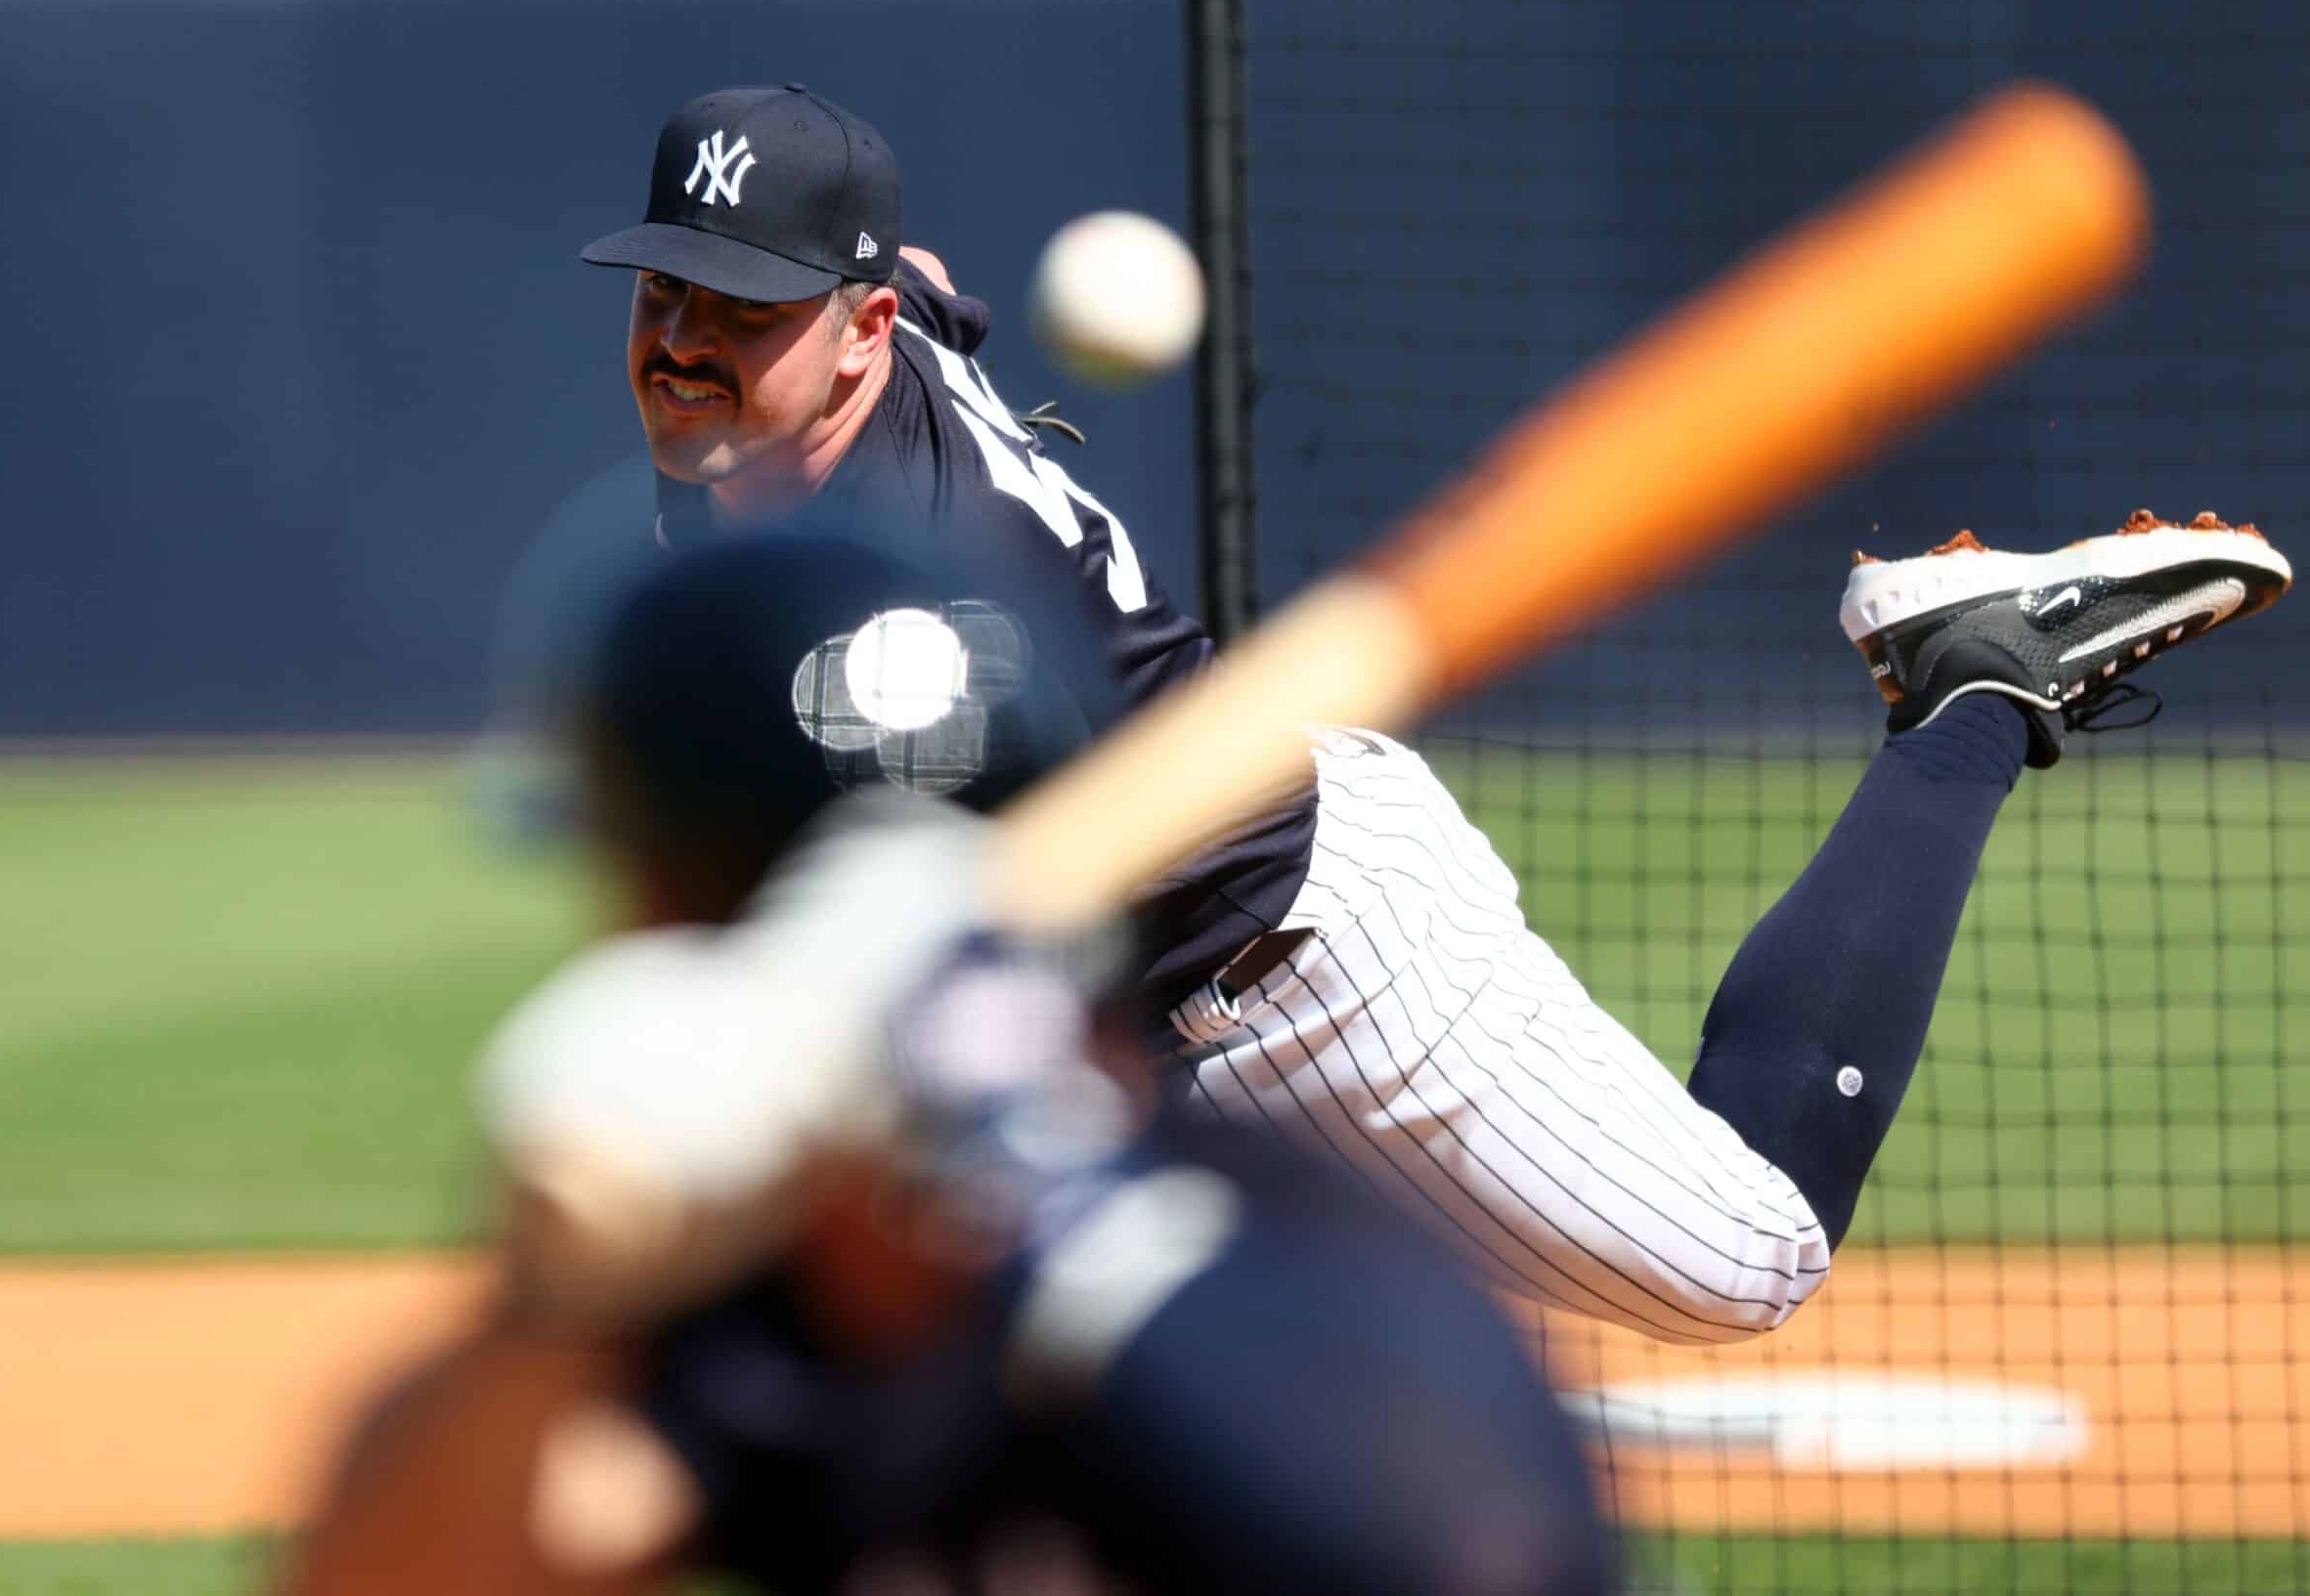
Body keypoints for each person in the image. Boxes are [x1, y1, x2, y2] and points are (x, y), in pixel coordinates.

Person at [566, 84, 2295, 1343]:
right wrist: (927, 307)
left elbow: (955, 915)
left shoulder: (926, 604)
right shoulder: (822, 407)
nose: (687, 344)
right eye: (668, 293)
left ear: (856, 334)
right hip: (1157, 1018)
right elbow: (933, 280)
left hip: (1313, 974)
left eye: (745, 311)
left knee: (1750, 1259)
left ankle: (1970, 686)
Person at [281, 519, 1617, 1596]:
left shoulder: (1266, 1231)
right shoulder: (763, 1322)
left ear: (676, 898)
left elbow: (1480, 1556)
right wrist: (550, 1303)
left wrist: (1033, 1187)